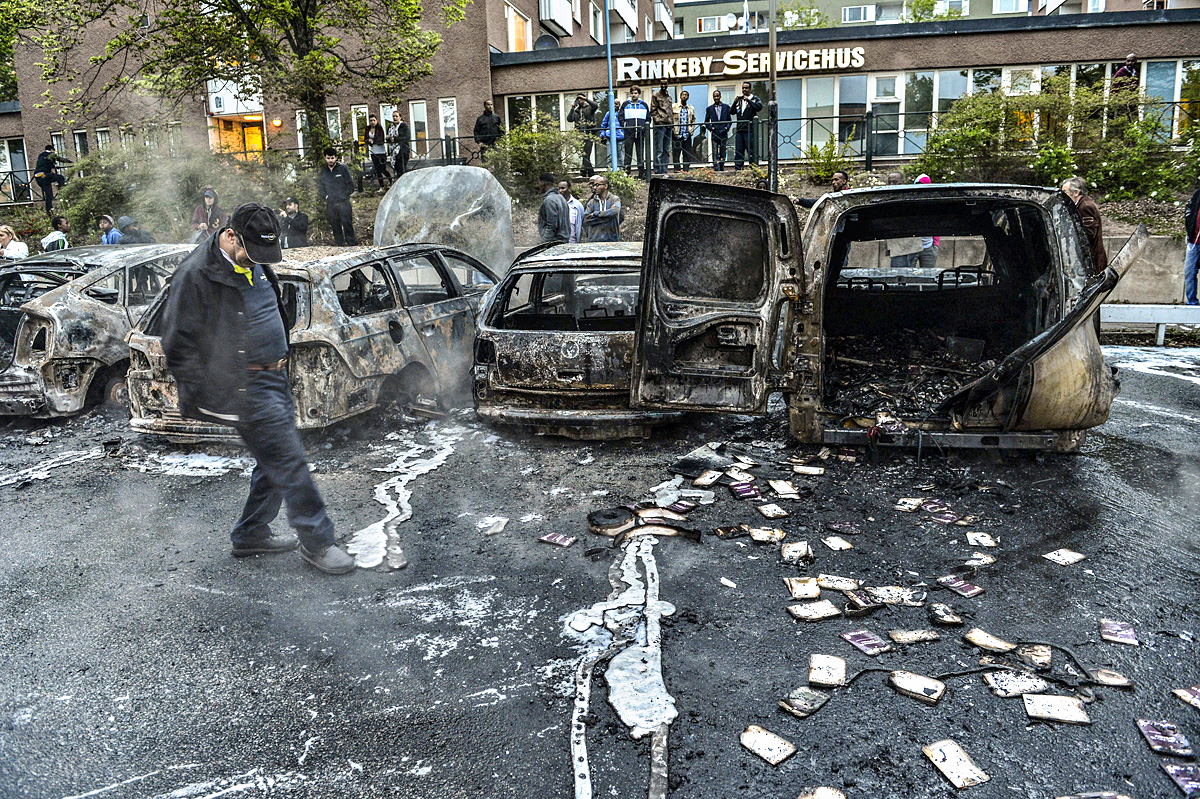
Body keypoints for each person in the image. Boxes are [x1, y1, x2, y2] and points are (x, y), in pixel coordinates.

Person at [161, 203, 354, 574]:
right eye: (252, 253)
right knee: (289, 459)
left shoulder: (256, 259)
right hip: (244, 384)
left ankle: (249, 534)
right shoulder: (195, 275)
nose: (258, 261)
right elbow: (177, 344)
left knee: (273, 461)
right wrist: (213, 393)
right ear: (230, 235)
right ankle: (318, 542)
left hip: (275, 376)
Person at [1061, 176, 1107, 274]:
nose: (1062, 196)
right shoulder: (1082, 204)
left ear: (1076, 193)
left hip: (1092, 260)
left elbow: (1088, 234)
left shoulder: (1085, 207)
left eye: (1065, 192)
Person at [318, 147, 358, 247]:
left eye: (332, 158)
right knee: (335, 225)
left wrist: (343, 196)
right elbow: (320, 187)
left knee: (347, 224)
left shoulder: (343, 169)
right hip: (331, 204)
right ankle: (340, 246)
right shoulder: (324, 171)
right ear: (325, 158)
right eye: (328, 158)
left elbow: (351, 186)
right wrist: (325, 197)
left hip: (343, 203)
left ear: (336, 158)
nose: (330, 160)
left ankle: (351, 245)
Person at [731, 82, 763, 170]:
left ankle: (753, 168)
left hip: (749, 130)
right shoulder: (740, 100)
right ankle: (738, 169)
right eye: (743, 88)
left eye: (746, 88)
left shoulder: (754, 98)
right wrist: (735, 102)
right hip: (740, 129)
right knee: (739, 150)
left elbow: (759, 107)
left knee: (751, 150)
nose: (744, 90)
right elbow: (732, 112)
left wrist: (748, 100)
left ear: (750, 89)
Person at [619, 87, 649, 179]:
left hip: (640, 133)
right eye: (632, 93)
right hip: (629, 133)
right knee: (628, 153)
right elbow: (620, 116)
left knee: (640, 154)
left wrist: (644, 127)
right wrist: (625, 125)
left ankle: (641, 173)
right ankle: (626, 172)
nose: (634, 95)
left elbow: (648, 117)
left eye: (635, 93)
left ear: (639, 94)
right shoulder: (625, 104)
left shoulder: (644, 104)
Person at [583, 175, 623, 243]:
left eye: (597, 185)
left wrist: (596, 214)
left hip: (612, 240)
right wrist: (608, 217)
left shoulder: (614, 199)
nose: (595, 188)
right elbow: (586, 218)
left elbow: (615, 211)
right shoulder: (591, 202)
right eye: (594, 185)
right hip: (594, 240)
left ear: (605, 186)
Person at [567, 94, 599, 177]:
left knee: (586, 154)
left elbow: (595, 106)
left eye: (581, 99)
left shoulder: (589, 108)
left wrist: (586, 99)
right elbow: (569, 119)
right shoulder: (577, 110)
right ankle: (587, 173)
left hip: (589, 134)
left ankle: (587, 173)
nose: (580, 101)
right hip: (580, 134)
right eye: (578, 99)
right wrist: (572, 108)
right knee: (584, 154)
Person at [33, 145, 70, 216]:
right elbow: (61, 159)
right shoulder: (51, 155)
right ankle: (62, 192)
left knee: (49, 195)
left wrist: (54, 166)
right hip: (45, 175)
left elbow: (44, 164)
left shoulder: (41, 155)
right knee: (61, 178)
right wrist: (72, 163)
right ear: (52, 150)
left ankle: (49, 212)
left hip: (38, 176)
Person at [913, 174, 940, 269]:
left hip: (929, 246)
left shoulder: (933, 204)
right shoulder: (910, 203)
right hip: (911, 246)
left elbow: (938, 223)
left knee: (928, 278)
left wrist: (935, 244)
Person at [537, 173, 570, 244]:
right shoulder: (560, 197)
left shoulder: (549, 200)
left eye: (539, 182)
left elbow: (552, 226)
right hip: (563, 242)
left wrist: (544, 243)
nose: (538, 185)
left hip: (554, 243)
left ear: (543, 183)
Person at [704, 90, 732, 171]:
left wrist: (727, 128)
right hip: (715, 133)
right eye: (714, 96)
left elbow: (729, 120)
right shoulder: (709, 109)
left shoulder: (726, 107)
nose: (716, 98)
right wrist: (711, 128)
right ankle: (716, 168)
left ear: (720, 96)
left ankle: (722, 168)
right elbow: (706, 121)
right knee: (715, 151)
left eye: (717, 96)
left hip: (723, 132)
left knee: (723, 151)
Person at [650, 82, 674, 175]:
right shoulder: (655, 95)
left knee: (666, 150)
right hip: (660, 125)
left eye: (665, 84)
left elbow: (670, 110)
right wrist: (658, 121)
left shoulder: (669, 97)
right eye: (662, 84)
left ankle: (664, 170)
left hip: (668, 125)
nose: (664, 86)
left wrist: (671, 123)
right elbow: (652, 110)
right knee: (659, 149)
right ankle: (658, 170)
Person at [364, 115, 391, 191]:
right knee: (377, 169)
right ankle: (381, 186)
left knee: (383, 168)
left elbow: (381, 139)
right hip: (373, 151)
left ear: (376, 120)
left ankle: (390, 180)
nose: (372, 122)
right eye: (371, 120)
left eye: (374, 120)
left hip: (381, 151)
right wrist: (368, 141)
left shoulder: (379, 128)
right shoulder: (367, 128)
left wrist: (373, 141)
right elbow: (365, 139)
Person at [672, 90, 696, 172]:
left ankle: (686, 170)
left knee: (687, 154)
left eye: (686, 95)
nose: (684, 96)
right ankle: (677, 170)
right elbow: (671, 119)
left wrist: (691, 130)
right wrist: (673, 129)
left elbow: (693, 120)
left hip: (687, 134)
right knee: (676, 153)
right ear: (680, 96)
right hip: (677, 134)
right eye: (683, 95)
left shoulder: (691, 108)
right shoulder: (674, 107)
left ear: (688, 97)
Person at [1184, 186, 1200, 305]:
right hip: (1193, 242)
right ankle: (1192, 304)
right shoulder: (1198, 194)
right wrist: (1189, 221)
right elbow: (1189, 207)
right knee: (1189, 273)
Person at [387, 109, 411, 179]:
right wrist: (388, 138)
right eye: (393, 116)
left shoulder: (404, 126)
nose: (395, 118)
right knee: (397, 169)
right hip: (393, 151)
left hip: (402, 150)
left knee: (402, 169)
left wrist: (395, 139)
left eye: (396, 116)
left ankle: (404, 184)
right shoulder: (390, 127)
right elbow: (388, 137)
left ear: (400, 117)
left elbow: (407, 137)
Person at [559, 179, 585, 244]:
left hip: (573, 243)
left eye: (563, 188)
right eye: (559, 188)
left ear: (569, 189)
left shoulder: (577, 205)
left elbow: (582, 223)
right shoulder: (556, 205)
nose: (560, 191)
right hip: (559, 243)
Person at [599, 106, 624, 171]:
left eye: (617, 104)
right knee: (609, 155)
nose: (615, 106)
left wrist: (623, 133)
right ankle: (609, 170)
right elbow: (604, 124)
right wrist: (602, 134)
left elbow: (624, 124)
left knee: (621, 156)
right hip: (609, 136)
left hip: (620, 137)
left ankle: (623, 170)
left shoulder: (621, 113)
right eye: (614, 104)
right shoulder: (608, 113)